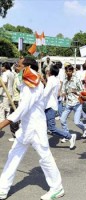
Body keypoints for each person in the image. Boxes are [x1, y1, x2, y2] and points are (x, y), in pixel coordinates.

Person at [0, 57, 64, 200]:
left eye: (19, 65)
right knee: (13, 156)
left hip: (36, 128)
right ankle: (3, 189)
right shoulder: (27, 81)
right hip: (25, 128)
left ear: (27, 67)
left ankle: (57, 187)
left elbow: (22, 109)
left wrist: (2, 124)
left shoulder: (33, 84)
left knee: (45, 157)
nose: (16, 66)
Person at [44, 63, 76, 149]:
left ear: (50, 71)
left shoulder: (51, 80)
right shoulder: (55, 79)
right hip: (50, 105)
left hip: (49, 106)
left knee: (52, 128)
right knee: (44, 125)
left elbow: (45, 93)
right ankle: (41, 142)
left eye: (48, 69)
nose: (46, 70)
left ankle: (69, 136)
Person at [60, 64, 86, 142]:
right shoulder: (65, 80)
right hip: (68, 103)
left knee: (77, 122)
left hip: (77, 103)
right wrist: (63, 93)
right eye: (67, 71)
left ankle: (85, 127)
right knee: (62, 120)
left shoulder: (76, 79)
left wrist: (76, 92)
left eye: (70, 71)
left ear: (72, 71)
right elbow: (63, 90)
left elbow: (82, 91)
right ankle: (67, 135)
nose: (68, 72)